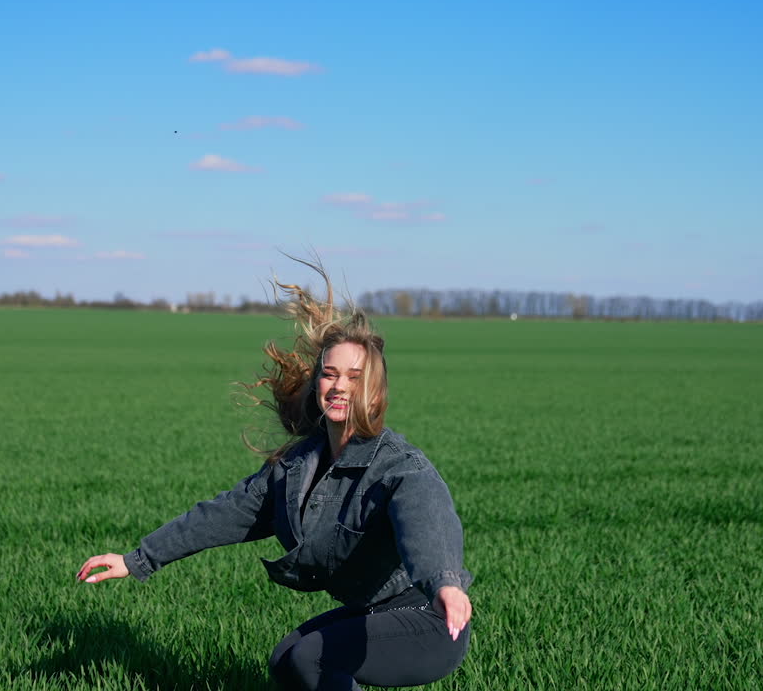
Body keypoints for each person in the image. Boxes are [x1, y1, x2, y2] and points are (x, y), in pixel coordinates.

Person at [76, 263, 473, 690]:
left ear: (374, 391)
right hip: (375, 612)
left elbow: (428, 523)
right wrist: (138, 560)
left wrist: (445, 584)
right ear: (317, 381)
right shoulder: (297, 467)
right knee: (288, 660)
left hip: (431, 617)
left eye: (355, 378)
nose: (339, 386)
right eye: (330, 373)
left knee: (311, 658)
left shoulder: (399, 467)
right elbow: (224, 513)